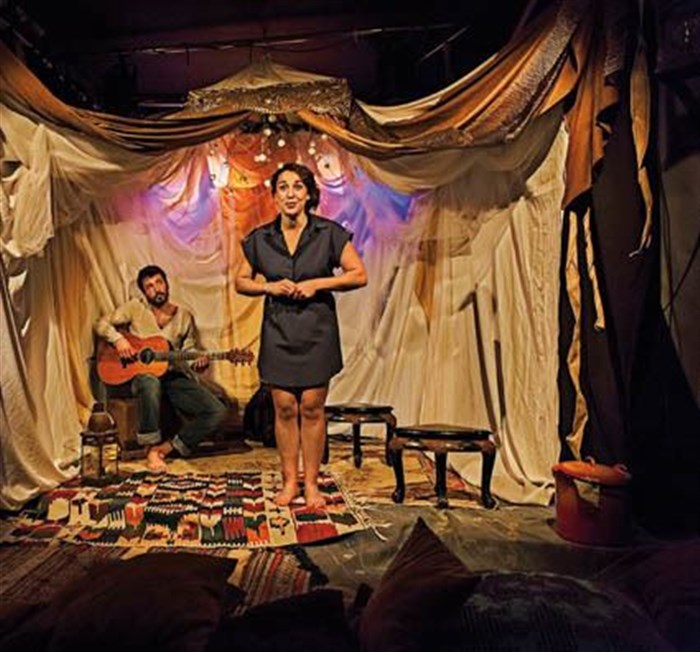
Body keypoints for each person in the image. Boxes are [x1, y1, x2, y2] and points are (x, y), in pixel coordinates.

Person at [235, 162, 367, 508]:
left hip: (316, 330)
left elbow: (358, 274)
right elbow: (241, 281)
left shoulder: (329, 233)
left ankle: (311, 484)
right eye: (283, 187)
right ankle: (289, 482)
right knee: (283, 407)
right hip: (278, 330)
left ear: (308, 194)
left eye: (297, 187)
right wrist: (269, 287)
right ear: (275, 196)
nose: (290, 194)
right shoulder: (261, 238)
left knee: (310, 407)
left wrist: (317, 284)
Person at [95, 264, 226, 472]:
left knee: (216, 411)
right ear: (144, 292)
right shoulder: (135, 308)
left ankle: (165, 448)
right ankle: (150, 447)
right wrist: (118, 339)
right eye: (149, 286)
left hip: (172, 376)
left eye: (159, 282)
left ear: (166, 284)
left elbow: (188, 350)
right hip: (140, 377)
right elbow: (101, 324)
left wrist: (197, 362)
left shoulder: (184, 316)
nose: (156, 289)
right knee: (149, 380)